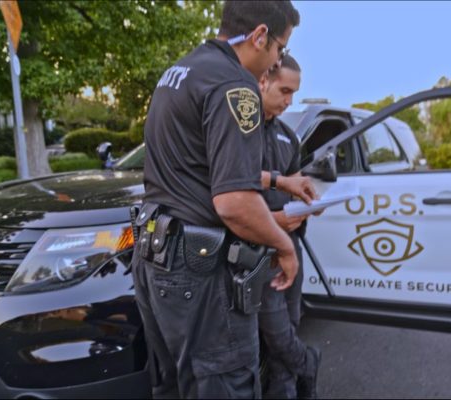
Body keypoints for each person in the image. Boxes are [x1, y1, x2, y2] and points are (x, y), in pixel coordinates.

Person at [131, 2, 314, 398]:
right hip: (198, 272)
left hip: (153, 257)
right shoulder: (235, 85)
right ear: (260, 36)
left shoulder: (179, 72)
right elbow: (234, 202)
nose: (276, 60)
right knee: (224, 384)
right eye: (280, 50)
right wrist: (285, 247)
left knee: (175, 386)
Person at [258, 55, 321, 399]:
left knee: (291, 323)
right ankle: (308, 363)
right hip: (258, 250)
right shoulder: (238, 132)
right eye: (284, 90)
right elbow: (231, 194)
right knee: (276, 333)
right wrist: (276, 221)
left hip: (290, 245)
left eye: (294, 93)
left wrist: (311, 205)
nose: (289, 101)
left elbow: (295, 186)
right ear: (263, 80)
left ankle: (284, 392)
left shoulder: (288, 138)